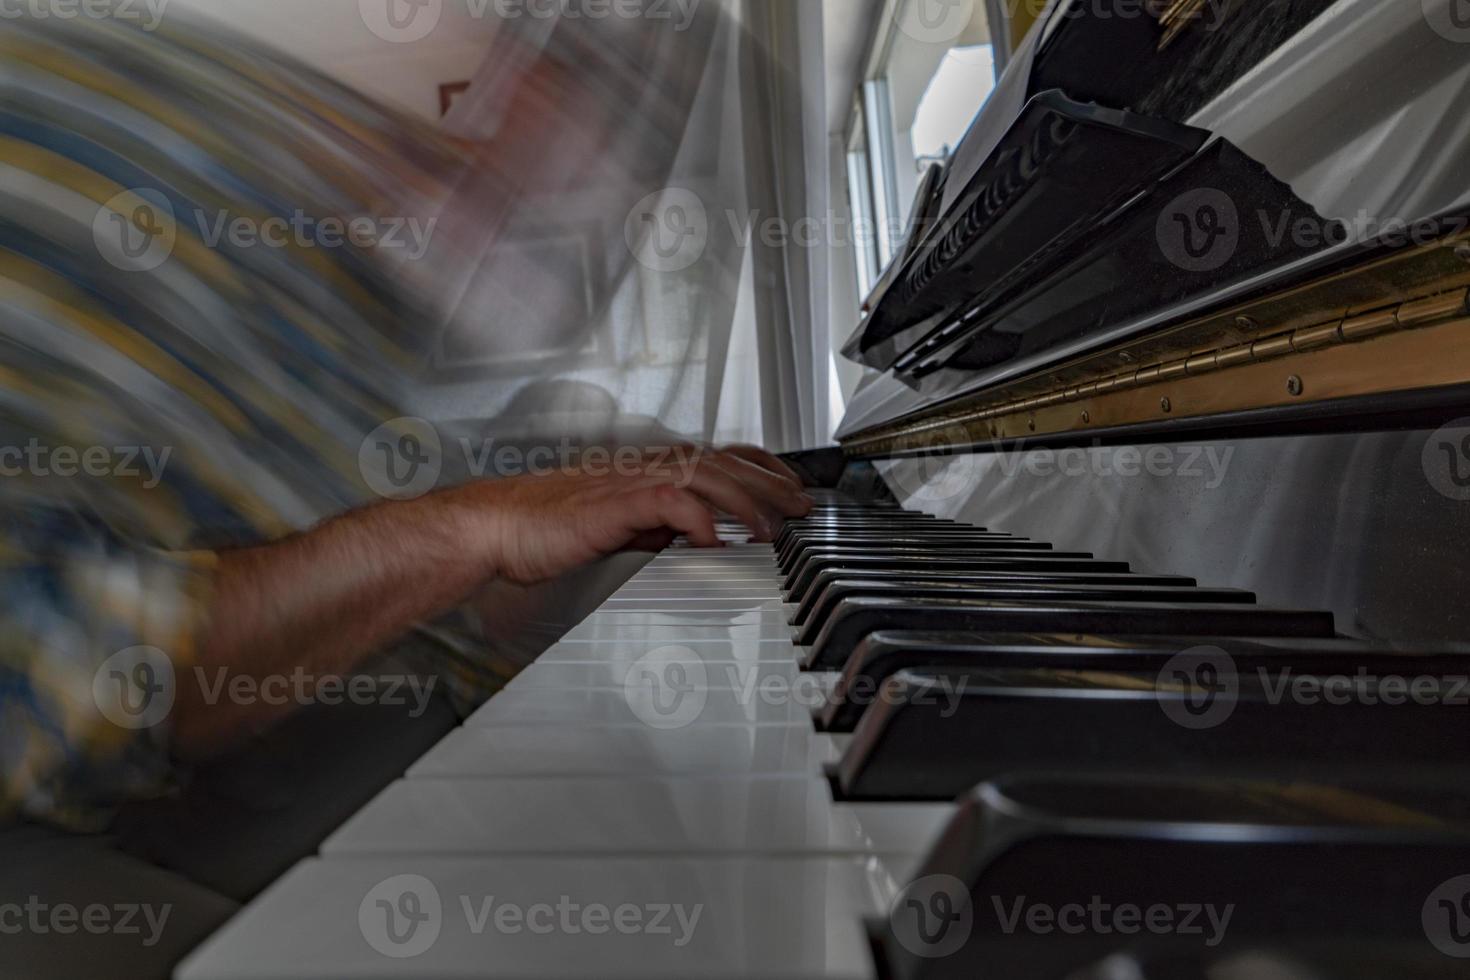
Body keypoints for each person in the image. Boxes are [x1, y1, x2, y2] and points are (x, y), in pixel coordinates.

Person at [0, 12, 809, 977]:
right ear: (504, 81)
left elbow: (306, 549)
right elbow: (36, 663)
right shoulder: (122, 141)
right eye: (601, 124)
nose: (605, 204)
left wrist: (554, 534)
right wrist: (465, 533)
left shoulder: (333, 257)